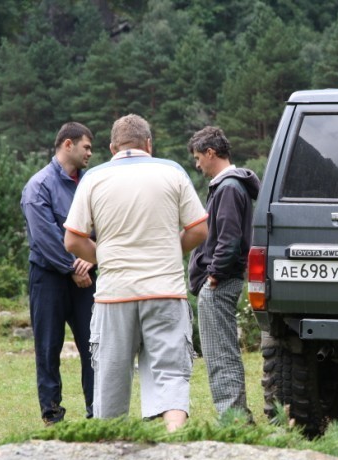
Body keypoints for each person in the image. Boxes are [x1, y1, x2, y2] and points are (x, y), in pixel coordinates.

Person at [64, 114, 208, 432]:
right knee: (171, 375)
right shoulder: (172, 172)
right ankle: (175, 438)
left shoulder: (94, 178)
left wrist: (105, 257)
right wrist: (170, 251)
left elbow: (72, 240)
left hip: (114, 294)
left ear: (112, 148)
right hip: (165, 291)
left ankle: (111, 447)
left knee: (110, 380)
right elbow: (199, 230)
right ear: (149, 144)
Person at [21, 122, 96, 425]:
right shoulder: (38, 185)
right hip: (48, 278)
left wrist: (91, 260)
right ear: (68, 144)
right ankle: (52, 416)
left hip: (87, 276)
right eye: (86, 147)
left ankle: (98, 412)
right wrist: (72, 266)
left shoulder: (91, 183)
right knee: (48, 347)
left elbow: (106, 225)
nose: (90, 153)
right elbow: (44, 236)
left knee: (94, 345)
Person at [187, 126, 260, 419]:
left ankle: (234, 419)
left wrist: (214, 275)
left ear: (210, 153)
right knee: (221, 351)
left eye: (198, 158)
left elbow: (228, 238)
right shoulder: (230, 185)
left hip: (220, 282)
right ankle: (236, 415)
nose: (197, 165)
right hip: (222, 280)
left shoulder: (228, 187)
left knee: (220, 354)